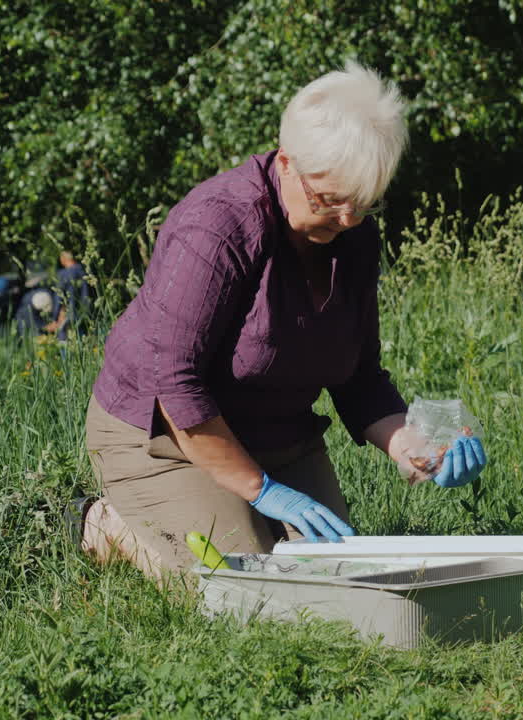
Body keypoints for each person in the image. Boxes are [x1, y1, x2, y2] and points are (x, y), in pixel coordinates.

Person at [79, 62, 487, 582]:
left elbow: (360, 378)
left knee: (334, 580)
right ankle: (108, 526)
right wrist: (265, 492)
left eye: (362, 203)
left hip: (278, 433)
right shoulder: (216, 227)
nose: (346, 219)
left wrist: (414, 448)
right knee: (241, 589)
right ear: (287, 163)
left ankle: (238, 517)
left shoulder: (354, 236)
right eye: (329, 200)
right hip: (164, 435)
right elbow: (175, 388)